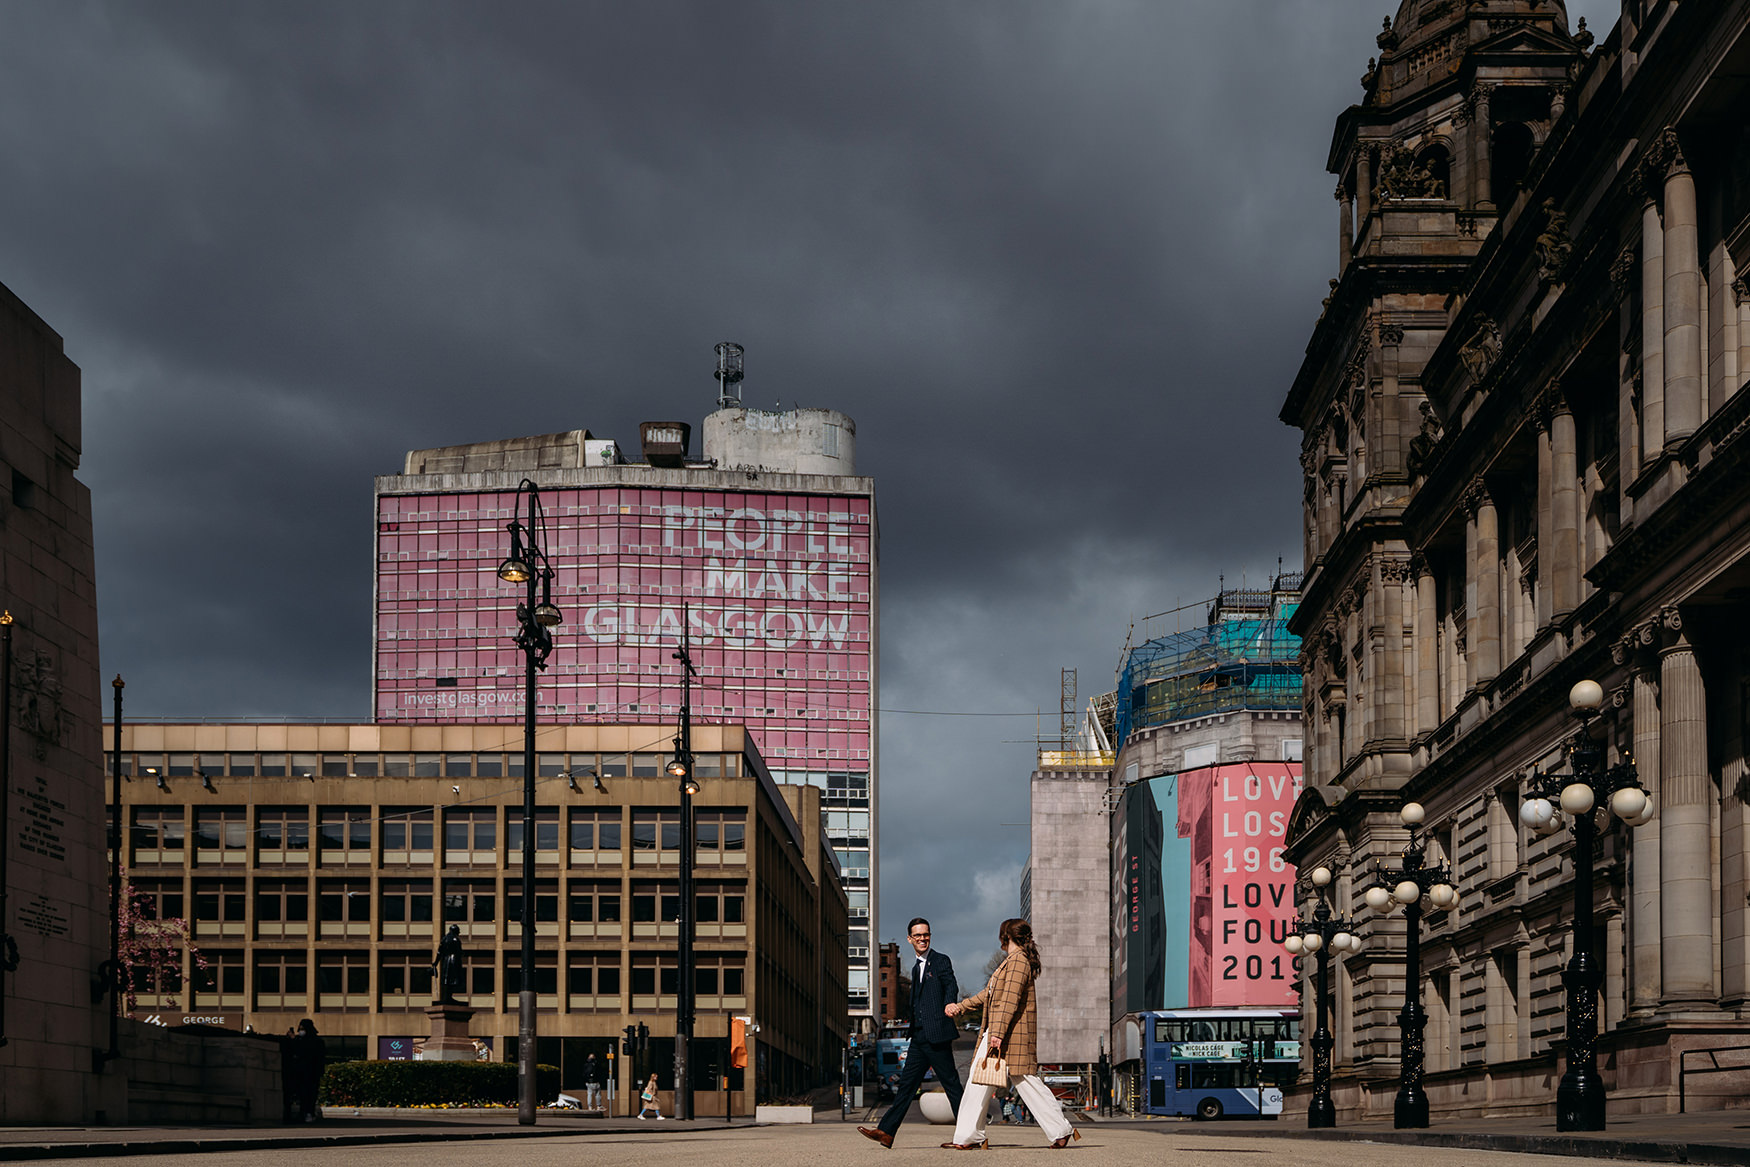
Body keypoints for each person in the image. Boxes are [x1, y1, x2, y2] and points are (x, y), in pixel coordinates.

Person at [942, 918, 1078, 1150]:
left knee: (993, 1081)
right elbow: (990, 994)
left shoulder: (1017, 962)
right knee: (1019, 1082)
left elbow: (1009, 1000)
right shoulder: (1012, 962)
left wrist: (997, 1033)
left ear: (1005, 936)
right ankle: (1060, 1130)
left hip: (1005, 1034)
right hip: (1006, 1033)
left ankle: (970, 1136)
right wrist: (961, 1006)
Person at [858, 917, 966, 1149]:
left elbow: (951, 985)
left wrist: (949, 1003)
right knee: (906, 1086)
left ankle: (970, 1134)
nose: (922, 938)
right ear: (910, 939)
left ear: (930, 936)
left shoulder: (940, 961)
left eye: (925, 934)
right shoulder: (916, 967)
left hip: (937, 1034)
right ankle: (886, 1132)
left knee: (952, 1086)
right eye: (917, 935)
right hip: (918, 1037)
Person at [290, 1018, 326, 1123]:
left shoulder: (314, 1042)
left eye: (302, 1029)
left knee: (309, 1095)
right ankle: (305, 1113)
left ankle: (308, 1113)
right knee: (303, 1095)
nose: (301, 1031)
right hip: (303, 1073)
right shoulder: (313, 1041)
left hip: (310, 1073)